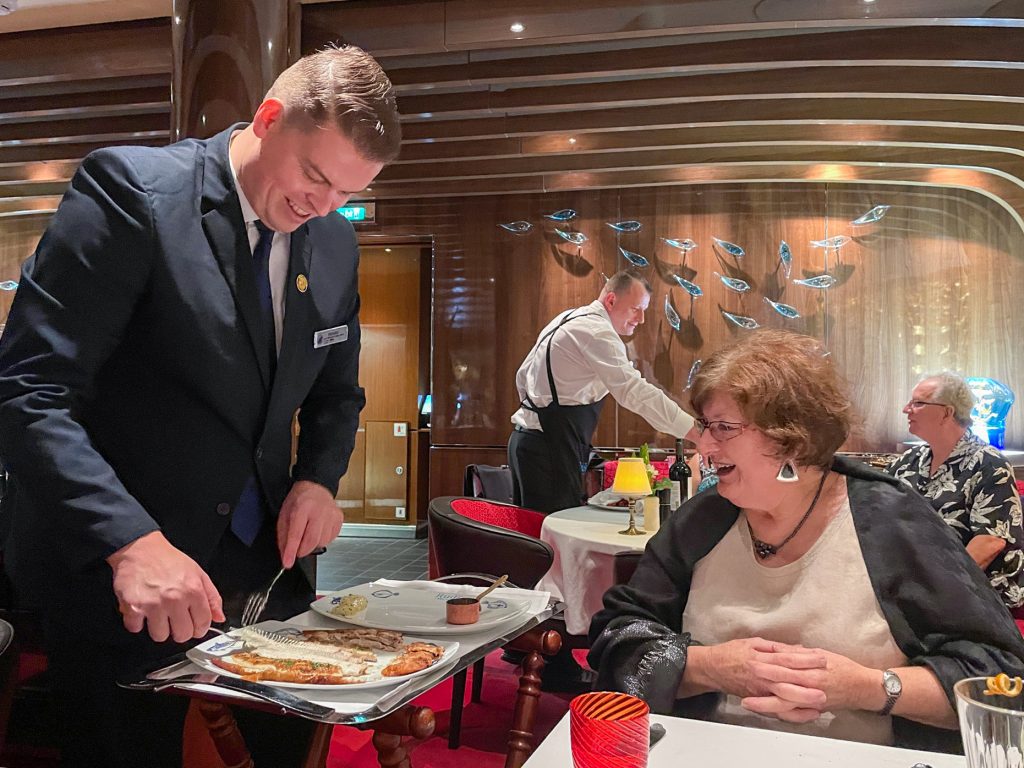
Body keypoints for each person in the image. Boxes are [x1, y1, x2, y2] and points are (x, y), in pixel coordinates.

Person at [0, 45, 401, 768]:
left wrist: (318, 477)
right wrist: (129, 540)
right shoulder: (133, 195)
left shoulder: (334, 242)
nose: (321, 205)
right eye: (315, 175)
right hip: (124, 571)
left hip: (262, 568)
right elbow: (30, 391)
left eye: (345, 192)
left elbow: (337, 391)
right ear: (270, 118)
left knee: (281, 751)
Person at [588, 330, 1024, 752]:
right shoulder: (702, 521)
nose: (702, 443)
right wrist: (708, 666)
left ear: (791, 440)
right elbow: (616, 637)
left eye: (722, 427)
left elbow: (1000, 681)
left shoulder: (892, 521)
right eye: (704, 425)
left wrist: (868, 688)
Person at [508, 270, 694, 513]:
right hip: (548, 449)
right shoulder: (598, 332)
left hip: (528, 442)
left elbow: (523, 376)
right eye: (636, 308)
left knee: (534, 534)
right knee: (552, 536)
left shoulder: (568, 318)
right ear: (611, 300)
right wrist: (692, 430)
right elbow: (633, 391)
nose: (641, 319)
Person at [887, 372, 1024, 611]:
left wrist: (933, 590)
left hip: (973, 591)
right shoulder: (909, 461)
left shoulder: (989, 463)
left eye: (918, 403)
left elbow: (989, 542)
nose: (906, 409)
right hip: (911, 582)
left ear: (947, 412)